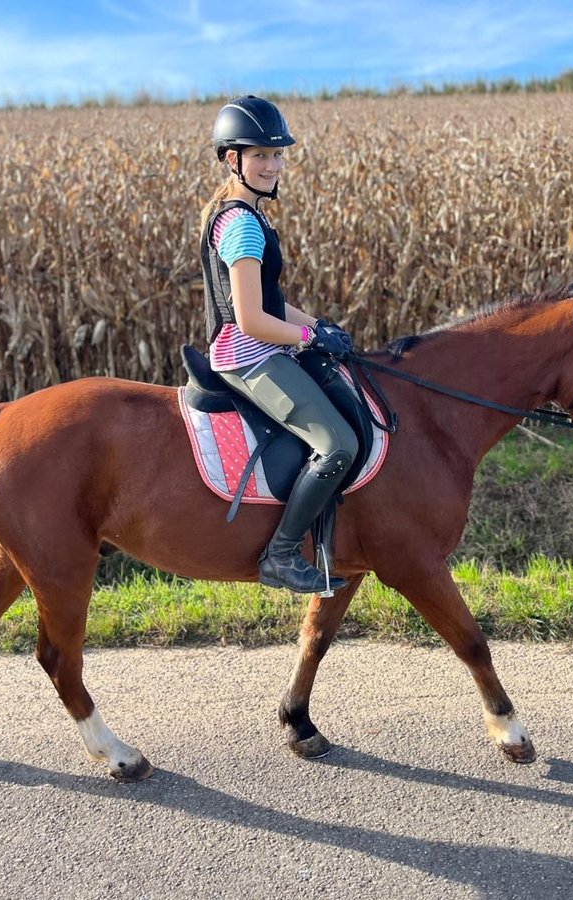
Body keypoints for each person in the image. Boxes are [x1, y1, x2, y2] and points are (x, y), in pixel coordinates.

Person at [199, 95, 358, 595]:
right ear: (233, 160)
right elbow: (250, 320)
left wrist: (320, 325)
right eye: (260, 155)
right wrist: (308, 338)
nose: (272, 164)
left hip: (262, 345)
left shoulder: (247, 215)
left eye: (277, 154)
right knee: (337, 445)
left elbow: (269, 301)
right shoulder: (242, 224)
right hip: (247, 357)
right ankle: (283, 555)